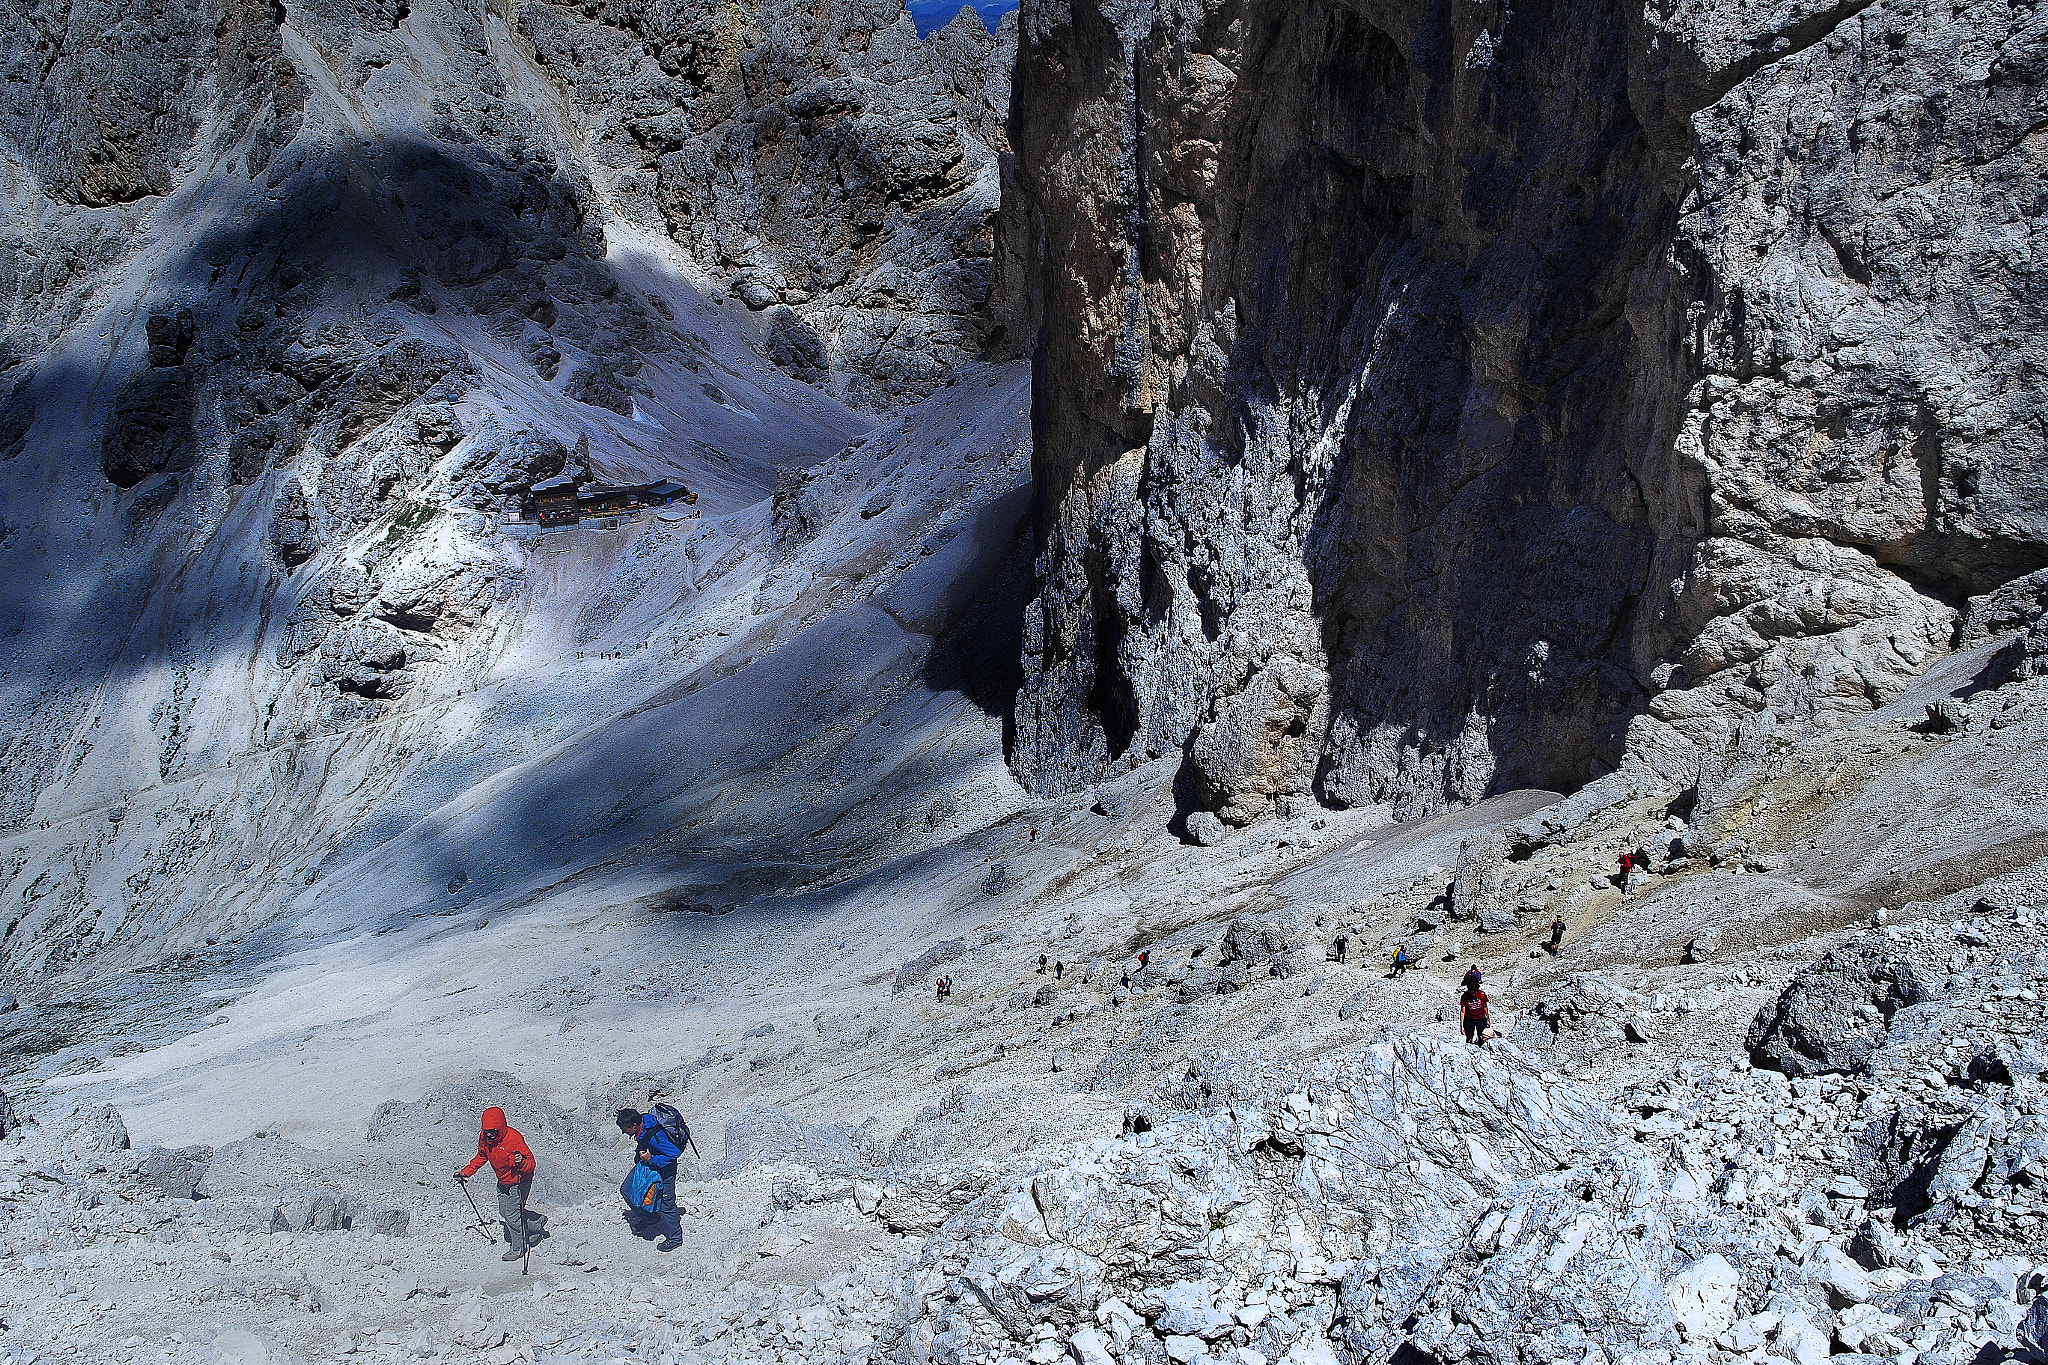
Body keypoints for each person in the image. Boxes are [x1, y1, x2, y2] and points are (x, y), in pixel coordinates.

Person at [456, 1107, 543, 1261]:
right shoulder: (485, 1138)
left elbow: (531, 1163)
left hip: (519, 1180)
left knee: (511, 1215)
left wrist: (520, 1162)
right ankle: (535, 1222)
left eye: (493, 1131)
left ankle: (518, 1248)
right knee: (505, 1212)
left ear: (501, 1127)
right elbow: (482, 1156)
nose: (489, 1134)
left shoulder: (513, 1138)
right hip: (503, 1180)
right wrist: (465, 1172)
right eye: (486, 1130)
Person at [616, 1108, 683, 1252]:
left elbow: (674, 1154)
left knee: (666, 1205)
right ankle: (650, 1218)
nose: (623, 1133)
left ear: (634, 1126)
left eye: (624, 1129)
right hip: (647, 1164)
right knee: (627, 1190)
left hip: (665, 1170)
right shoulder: (644, 1126)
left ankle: (675, 1238)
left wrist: (651, 1159)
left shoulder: (656, 1137)